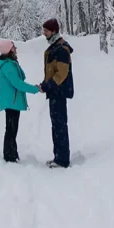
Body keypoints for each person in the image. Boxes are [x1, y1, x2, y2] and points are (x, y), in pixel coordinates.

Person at [0, 40, 40, 163]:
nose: (16, 48)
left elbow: (21, 77)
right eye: (13, 47)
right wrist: (35, 89)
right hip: (11, 101)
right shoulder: (8, 66)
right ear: (9, 50)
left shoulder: (10, 64)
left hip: (12, 100)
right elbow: (18, 84)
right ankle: (10, 156)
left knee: (12, 129)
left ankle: (11, 154)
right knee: (11, 129)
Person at [39, 18, 74, 168]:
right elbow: (51, 71)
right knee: (55, 125)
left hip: (59, 92)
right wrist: (44, 84)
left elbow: (61, 74)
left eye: (46, 30)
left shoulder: (62, 49)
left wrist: (48, 86)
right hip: (54, 92)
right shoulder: (54, 47)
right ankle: (57, 156)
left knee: (60, 125)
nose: (44, 33)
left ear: (53, 31)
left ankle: (62, 159)